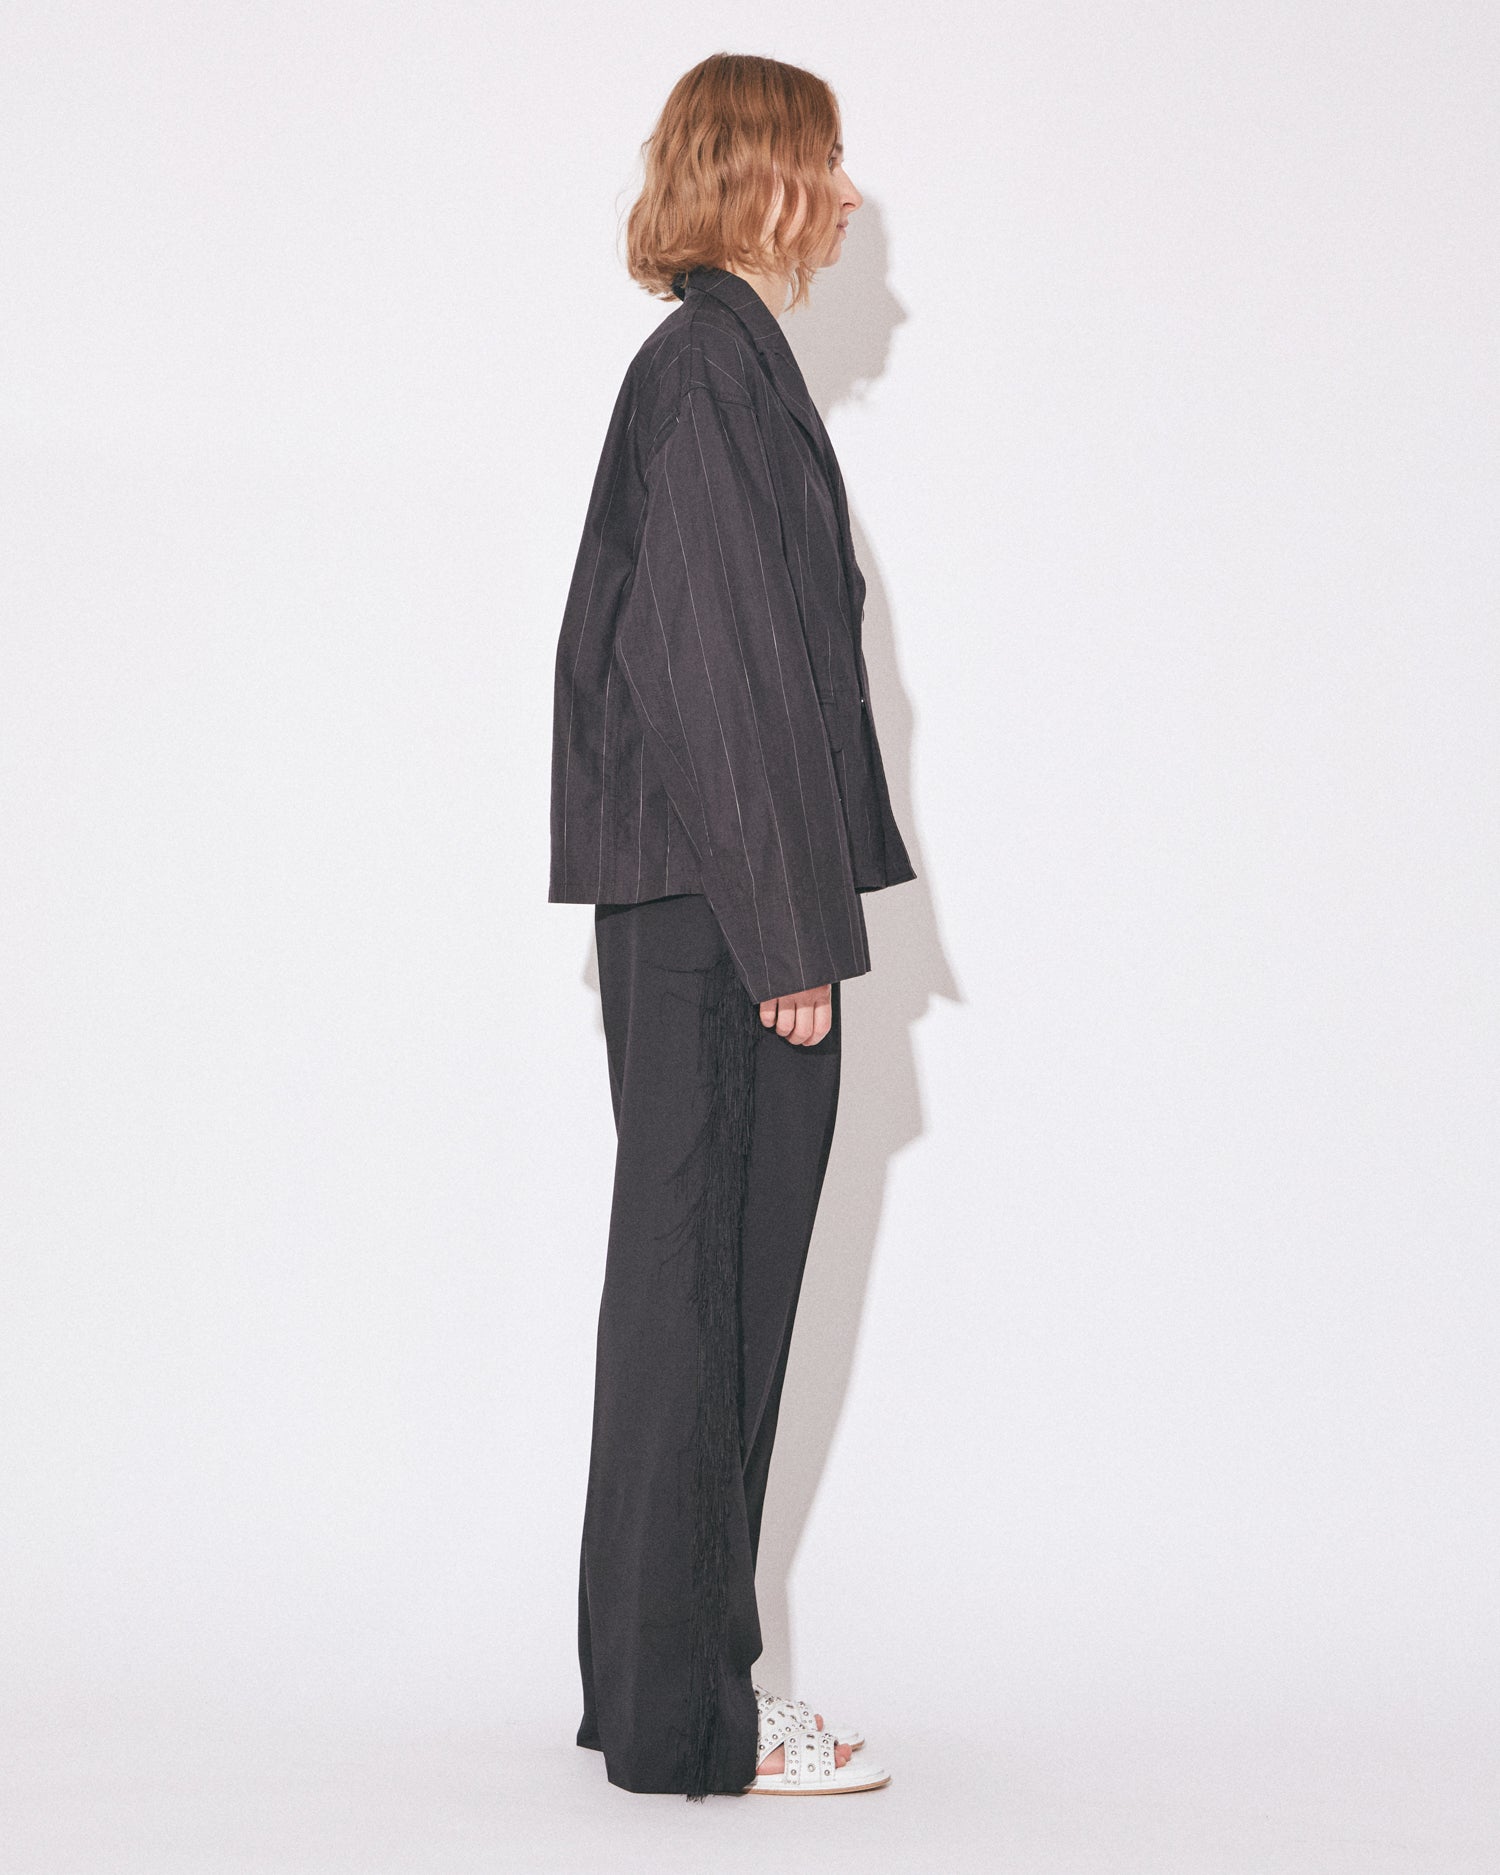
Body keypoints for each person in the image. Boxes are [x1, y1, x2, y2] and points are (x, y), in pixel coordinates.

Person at [547, 51, 916, 1800]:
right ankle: (697, 1715)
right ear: (754, 173)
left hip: (705, 901)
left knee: (686, 1289)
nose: (846, 194)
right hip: (723, 910)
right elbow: (711, 672)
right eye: (822, 161)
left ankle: (651, 1687)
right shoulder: (709, 373)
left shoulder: (716, 370)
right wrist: (787, 939)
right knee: (709, 1293)